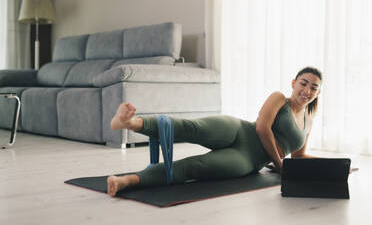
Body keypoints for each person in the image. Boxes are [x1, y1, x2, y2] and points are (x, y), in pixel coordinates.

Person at [107, 66, 322, 197]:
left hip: (247, 160)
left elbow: (299, 156)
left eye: (314, 87)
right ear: (294, 83)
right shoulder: (279, 99)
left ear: (318, 93)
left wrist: (331, 166)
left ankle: (126, 181)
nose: (307, 90)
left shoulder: (309, 121)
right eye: (304, 83)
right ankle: (130, 123)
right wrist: (278, 163)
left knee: (195, 168)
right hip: (239, 131)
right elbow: (261, 128)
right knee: (191, 128)